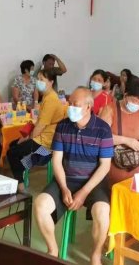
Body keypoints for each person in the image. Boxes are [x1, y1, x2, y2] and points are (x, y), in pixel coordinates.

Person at [33, 87, 113, 265]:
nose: (70, 108)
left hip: (93, 183)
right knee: (40, 204)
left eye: (75, 105)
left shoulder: (103, 129)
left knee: (102, 212)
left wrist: (84, 192)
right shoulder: (63, 126)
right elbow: (56, 160)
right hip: (66, 179)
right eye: (70, 104)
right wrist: (63, 188)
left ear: (88, 107)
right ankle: (52, 250)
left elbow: (105, 166)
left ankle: (95, 256)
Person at [7, 69, 66, 192]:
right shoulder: (46, 96)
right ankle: (22, 172)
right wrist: (25, 135)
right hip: (42, 135)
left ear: (51, 81)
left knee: (12, 153)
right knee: (13, 144)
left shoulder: (51, 99)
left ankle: (20, 184)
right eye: (38, 79)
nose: (38, 82)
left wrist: (28, 138)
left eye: (42, 79)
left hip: (45, 141)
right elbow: (39, 122)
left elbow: (41, 126)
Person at [99, 78, 139, 184]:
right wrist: (127, 141)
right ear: (125, 95)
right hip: (114, 164)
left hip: (136, 164)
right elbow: (101, 137)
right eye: (134, 101)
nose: (137, 104)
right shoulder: (110, 109)